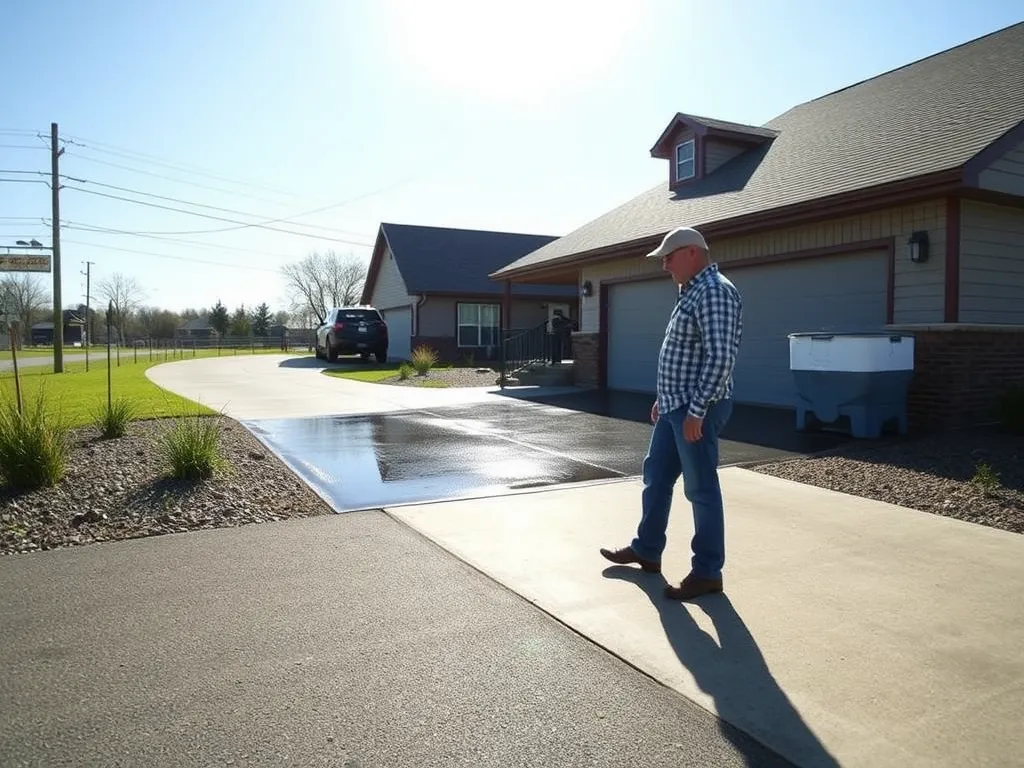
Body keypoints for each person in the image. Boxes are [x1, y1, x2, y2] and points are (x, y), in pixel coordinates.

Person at [600, 226, 743, 600]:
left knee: (701, 488)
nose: (664, 265)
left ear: (692, 252)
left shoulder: (714, 292)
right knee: (656, 477)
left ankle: (708, 572)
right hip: (674, 406)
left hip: (697, 409)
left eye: (668, 257)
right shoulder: (691, 292)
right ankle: (647, 550)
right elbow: (685, 356)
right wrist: (664, 399)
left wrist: (696, 411)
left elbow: (720, 358)